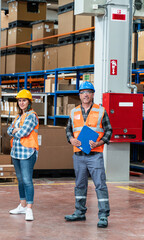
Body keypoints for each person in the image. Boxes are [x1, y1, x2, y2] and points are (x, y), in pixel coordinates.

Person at [64, 81, 112, 228]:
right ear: (79, 95)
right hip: (78, 155)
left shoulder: (101, 111)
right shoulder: (74, 112)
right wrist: (71, 139)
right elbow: (68, 130)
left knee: (100, 185)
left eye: (88, 92)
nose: (85, 94)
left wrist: (98, 143)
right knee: (79, 185)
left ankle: (103, 216)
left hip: (95, 155)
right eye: (83, 92)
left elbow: (109, 131)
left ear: (92, 94)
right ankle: (79, 212)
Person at [7, 89, 39, 221]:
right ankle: (22, 205)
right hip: (16, 152)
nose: (21, 103)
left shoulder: (32, 115)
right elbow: (9, 130)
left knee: (27, 180)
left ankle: (29, 209)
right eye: (19, 100)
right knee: (20, 180)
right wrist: (15, 130)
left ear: (29, 102)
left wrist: (15, 130)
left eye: (24, 100)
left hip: (27, 153)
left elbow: (23, 133)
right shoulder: (18, 116)